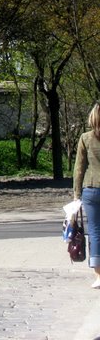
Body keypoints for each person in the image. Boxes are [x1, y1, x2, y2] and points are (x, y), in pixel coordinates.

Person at [74, 103, 100, 287]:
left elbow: (79, 168)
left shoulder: (85, 138)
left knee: (96, 232)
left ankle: (99, 275)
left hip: (91, 189)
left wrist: (76, 194)